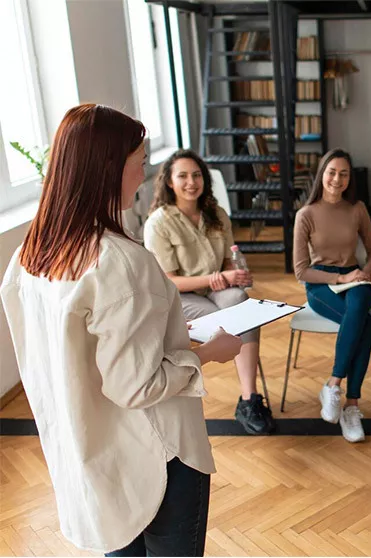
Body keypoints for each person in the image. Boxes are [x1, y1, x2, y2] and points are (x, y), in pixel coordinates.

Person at [0, 104, 242, 555]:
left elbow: (77, 355)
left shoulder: (30, 256)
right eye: (141, 163)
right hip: (156, 450)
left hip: (88, 446)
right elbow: (138, 386)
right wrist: (209, 352)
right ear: (109, 170)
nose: (146, 176)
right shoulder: (119, 261)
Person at [144, 149, 275, 435]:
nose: (191, 182)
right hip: (180, 296)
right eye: (183, 176)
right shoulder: (158, 223)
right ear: (169, 182)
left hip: (216, 289)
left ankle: (248, 399)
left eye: (196, 175)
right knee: (230, 317)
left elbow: (228, 259)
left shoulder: (217, 214)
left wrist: (236, 272)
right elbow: (169, 282)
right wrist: (216, 277)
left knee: (241, 304)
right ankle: (248, 397)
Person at [293, 148, 371, 443]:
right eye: (332, 172)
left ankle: (334, 384)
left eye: (344, 173)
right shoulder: (306, 214)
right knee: (364, 324)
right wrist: (340, 277)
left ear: (349, 178)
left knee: (359, 304)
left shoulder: (357, 209)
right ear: (322, 175)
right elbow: (301, 270)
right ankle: (351, 404)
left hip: (356, 278)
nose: (337, 179)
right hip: (321, 284)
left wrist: (365, 272)